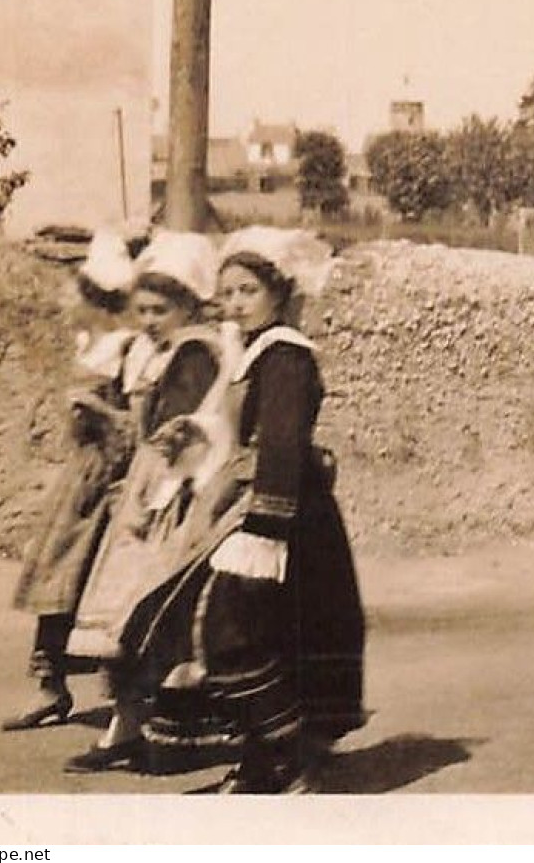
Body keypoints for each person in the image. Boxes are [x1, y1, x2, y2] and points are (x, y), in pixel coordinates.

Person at [130, 226, 365, 793]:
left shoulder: (286, 355)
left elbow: (280, 443)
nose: (234, 304)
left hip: (282, 518)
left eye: (248, 291)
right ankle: (265, 762)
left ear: (279, 294)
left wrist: (263, 529)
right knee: (257, 636)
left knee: (232, 631)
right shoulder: (253, 352)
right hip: (255, 505)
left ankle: (287, 761)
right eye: (228, 292)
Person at [63, 231, 233, 772]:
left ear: (189, 303)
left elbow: (179, 435)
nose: (151, 320)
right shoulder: (166, 354)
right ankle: (129, 725)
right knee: (133, 615)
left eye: (162, 309)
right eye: (144, 310)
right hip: (151, 487)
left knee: (145, 609)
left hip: (170, 495)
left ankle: (137, 729)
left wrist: (150, 494)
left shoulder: (194, 354)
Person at [4, 230, 141, 731]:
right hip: (77, 480)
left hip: (108, 484)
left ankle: (124, 701)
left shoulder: (127, 350)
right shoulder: (88, 345)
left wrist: (100, 410)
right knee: (55, 579)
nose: (64, 302)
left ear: (95, 300)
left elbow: (136, 426)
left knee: (101, 585)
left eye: (71, 293)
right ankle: (50, 685)